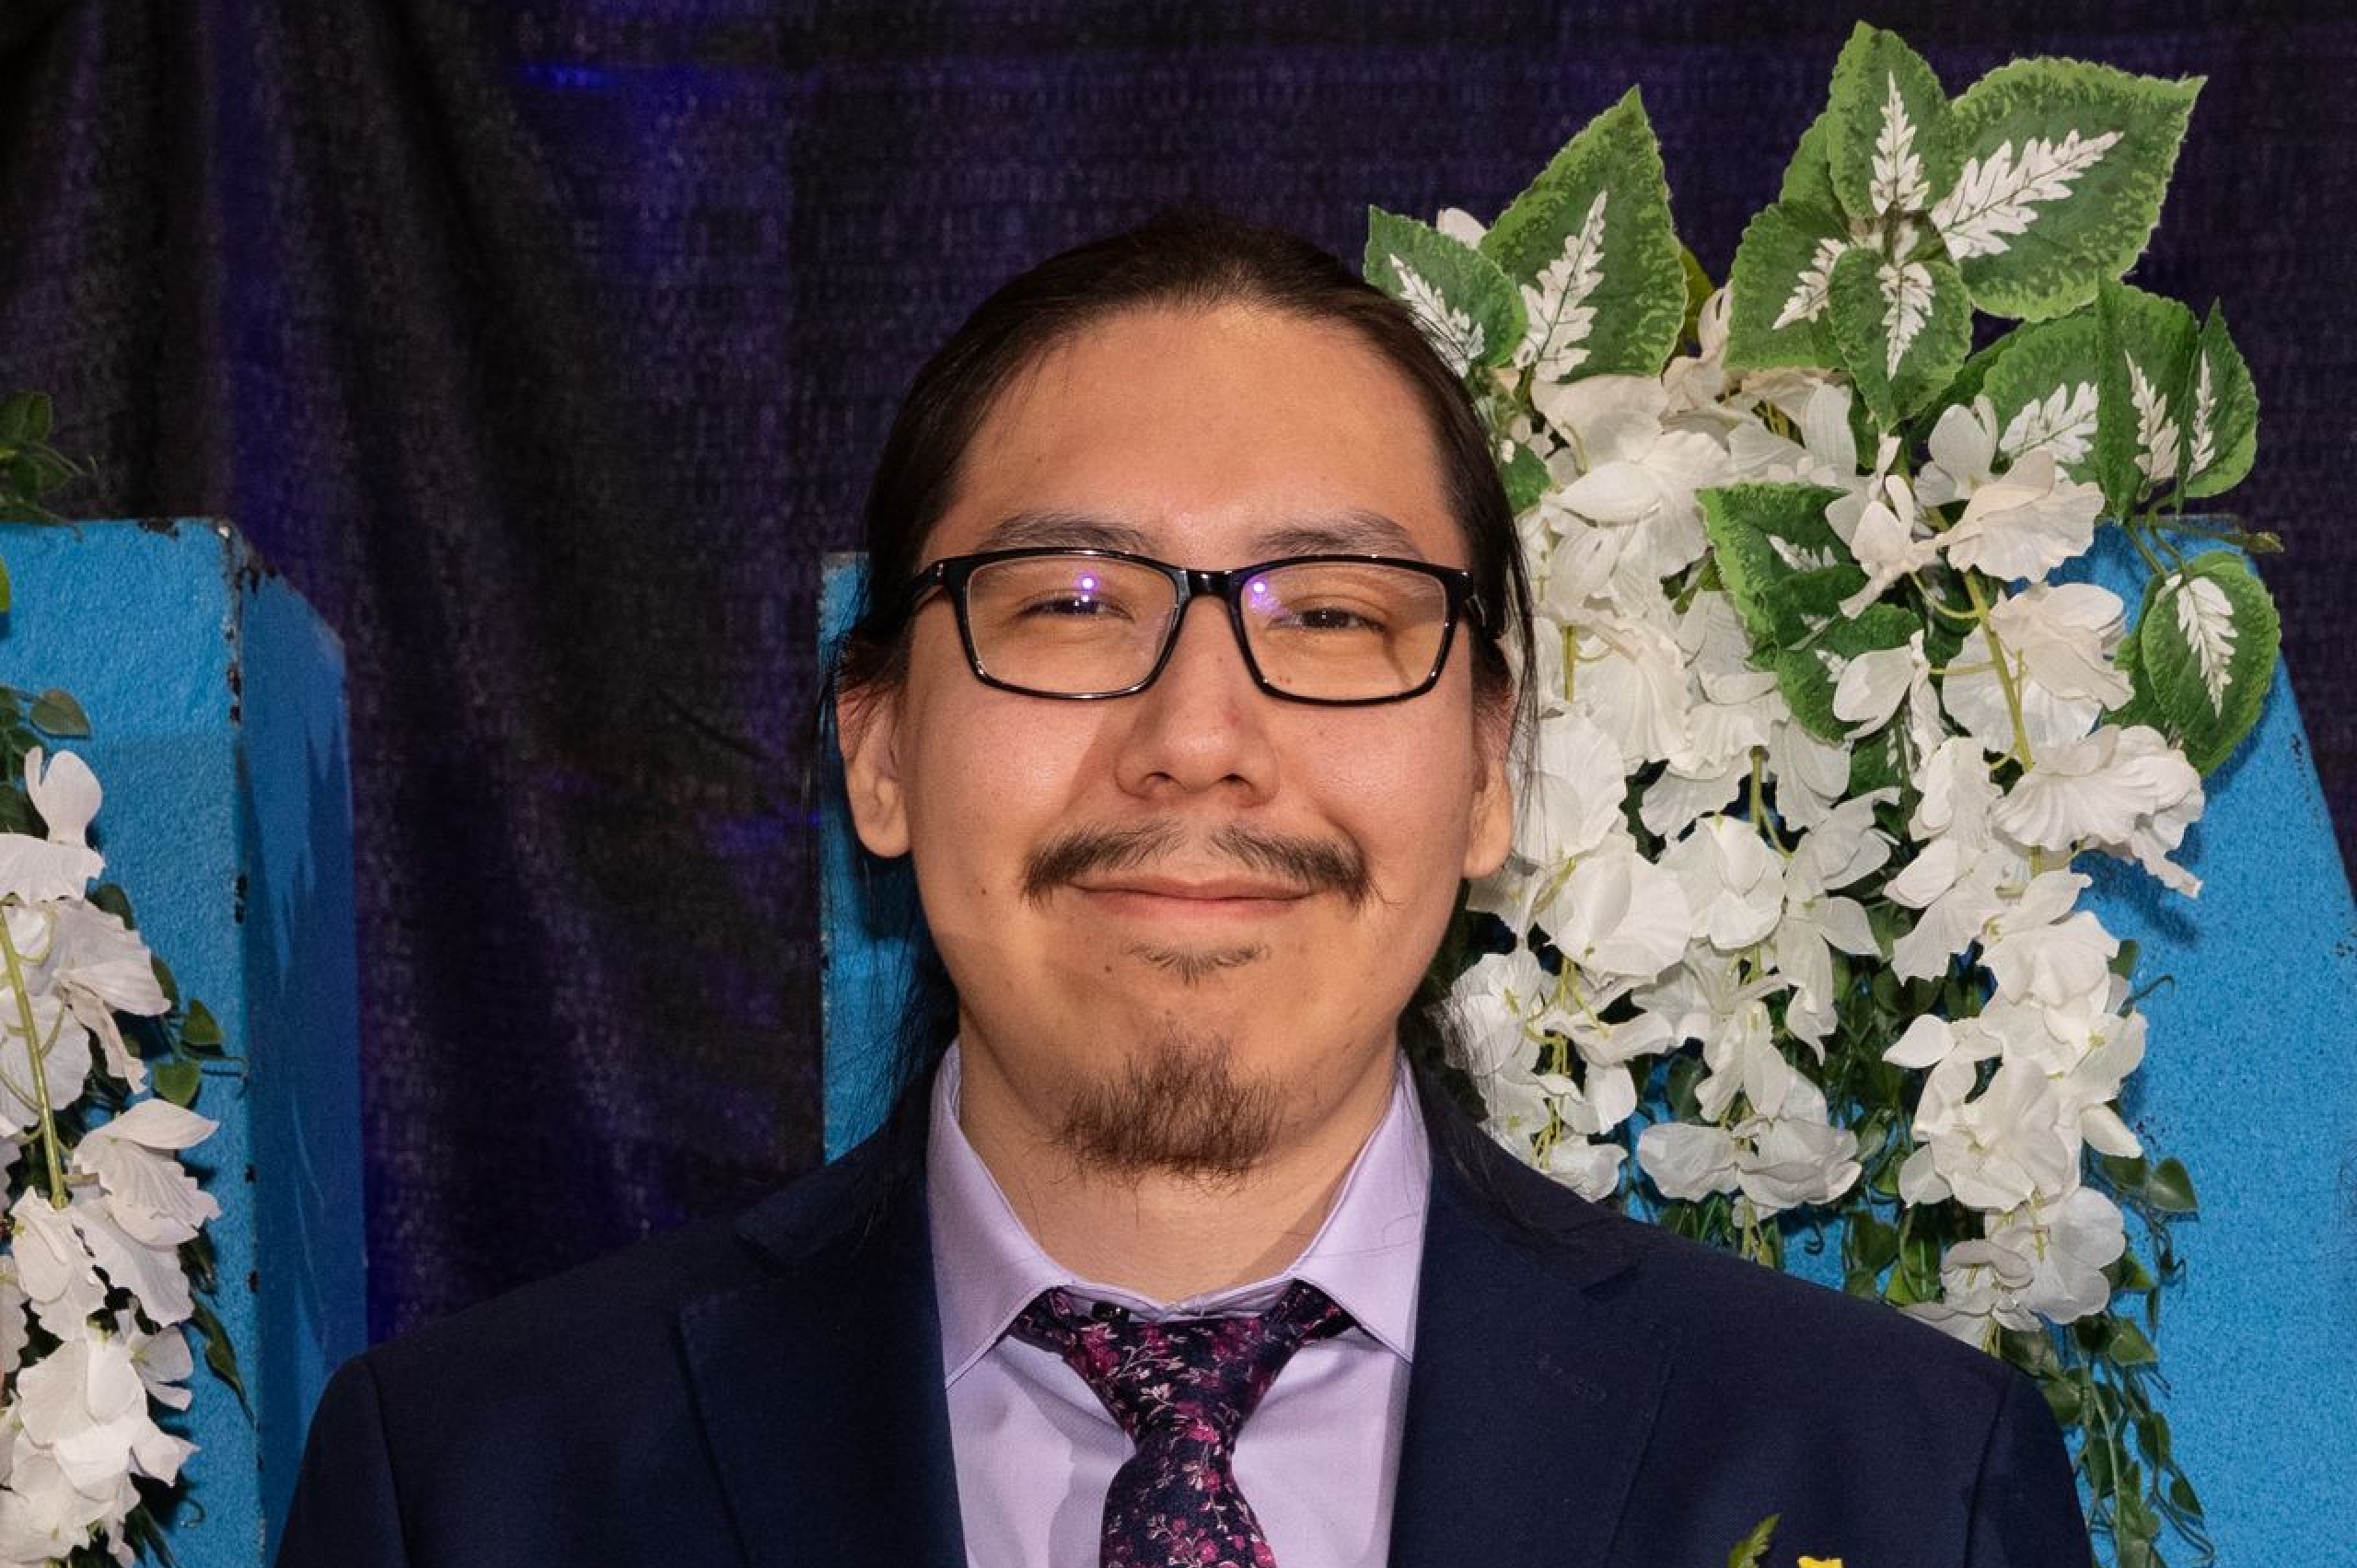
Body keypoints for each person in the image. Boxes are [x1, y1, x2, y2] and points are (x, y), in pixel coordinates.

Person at [276, 212, 2093, 1568]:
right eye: (1070, 607)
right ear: (879, 749)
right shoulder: (475, 1488)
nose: (1196, 735)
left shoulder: (1892, 1476)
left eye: (1335, 615)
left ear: (1483, 767)